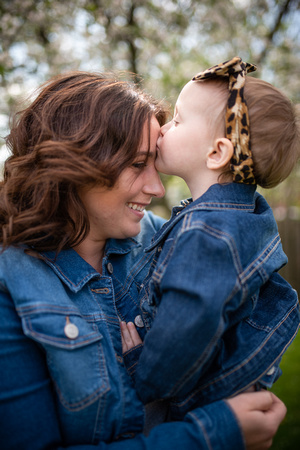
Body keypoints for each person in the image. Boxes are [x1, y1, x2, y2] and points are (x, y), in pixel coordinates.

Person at [0, 70, 287, 449]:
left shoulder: (171, 238)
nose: (155, 188)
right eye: (138, 164)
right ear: (74, 165)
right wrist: (215, 433)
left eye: (155, 161)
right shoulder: (12, 286)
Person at [120, 57, 300, 420]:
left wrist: (141, 369)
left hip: (188, 402)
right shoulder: (245, 215)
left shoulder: (208, 234)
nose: (163, 129)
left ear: (217, 152)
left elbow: (187, 327)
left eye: (178, 121)